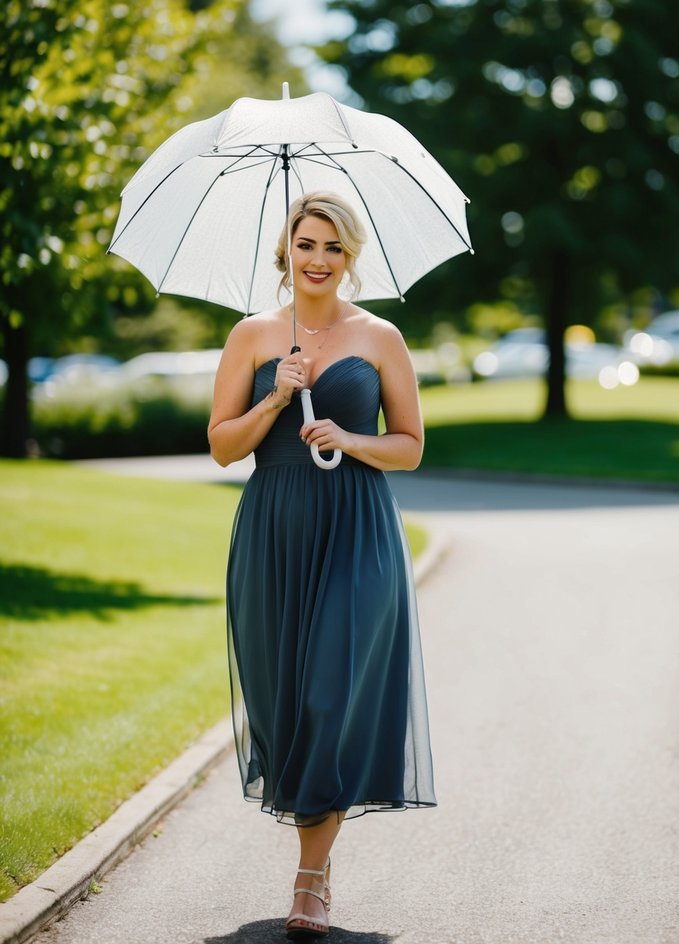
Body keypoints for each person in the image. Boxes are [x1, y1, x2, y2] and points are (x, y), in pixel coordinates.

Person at [208, 191, 436, 941]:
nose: (317, 259)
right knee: (283, 707)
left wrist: (349, 435)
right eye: (306, 244)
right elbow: (222, 446)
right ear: (286, 251)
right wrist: (277, 397)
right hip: (273, 533)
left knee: (328, 697)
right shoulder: (251, 336)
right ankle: (320, 851)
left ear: (350, 257)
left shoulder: (381, 338)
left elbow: (409, 445)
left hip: (358, 531)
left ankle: (309, 881)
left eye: (333, 247)